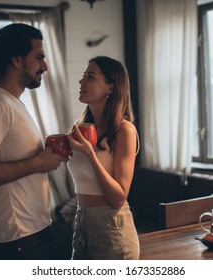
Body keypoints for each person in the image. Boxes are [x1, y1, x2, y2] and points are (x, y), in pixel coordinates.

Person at [0, 23, 69, 260]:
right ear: (17, 60)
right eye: (39, 57)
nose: (45, 66)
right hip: (19, 241)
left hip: (30, 234)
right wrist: (36, 164)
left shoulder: (12, 102)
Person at [66, 56, 140, 259]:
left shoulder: (124, 130)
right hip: (81, 222)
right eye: (83, 77)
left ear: (110, 88)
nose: (81, 82)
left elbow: (118, 198)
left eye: (90, 77)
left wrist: (90, 155)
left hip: (112, 226)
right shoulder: (79, 128)